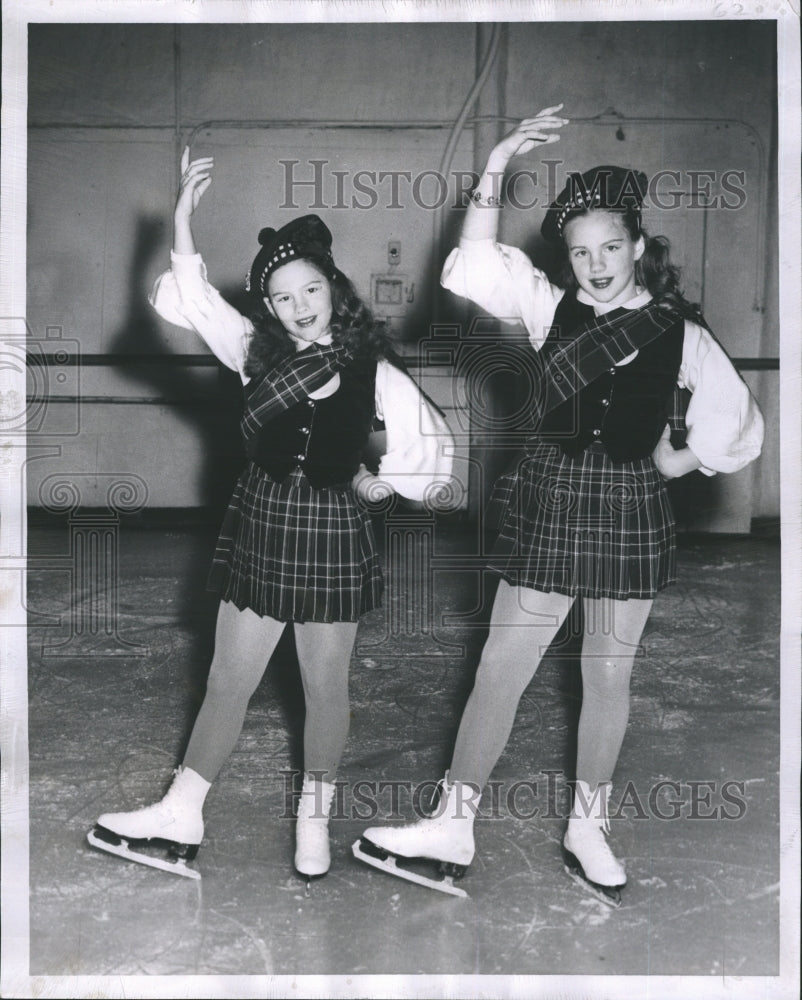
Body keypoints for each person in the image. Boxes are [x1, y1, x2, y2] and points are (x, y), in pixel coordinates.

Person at [355, 105, 764, 906]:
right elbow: (473, 257)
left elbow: (735, 422)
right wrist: (501, 157)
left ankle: (588, 827)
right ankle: (453, 824)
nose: (597, 264)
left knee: (608, 675)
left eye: (611, 247)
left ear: (639, 247)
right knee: (502, 668)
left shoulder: (679, 331)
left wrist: (670, 461)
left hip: (628, 505)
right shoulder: (547, 305)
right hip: (551, 497)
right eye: (581, 251)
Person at [88, 148, 454, 884]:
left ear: (332, 289)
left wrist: (387, 482)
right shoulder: (254, 352)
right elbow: (193, 301)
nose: (300, 305)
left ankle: (314, 819)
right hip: (263, 521)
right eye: (284, 298)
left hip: (331, 531)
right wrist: (184, 220)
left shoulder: (371, 368)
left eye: (310, 289)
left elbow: (431, 443)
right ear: (272, 309)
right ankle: (183, 811)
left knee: (326, 686)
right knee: (229, 677)